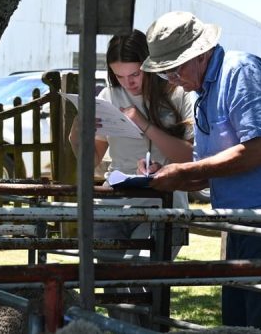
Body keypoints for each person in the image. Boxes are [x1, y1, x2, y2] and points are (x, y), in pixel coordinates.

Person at [140, 11, 261, 334]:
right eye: (165, 72)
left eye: (175, 68)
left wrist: (183, 172)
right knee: (238, 325)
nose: (171, 78)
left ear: (201, 54)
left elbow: (256, 151)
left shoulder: (241, 72)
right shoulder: (205, 94)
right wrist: (164, 175)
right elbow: (210, 171)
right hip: (246, 221)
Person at [68, 30, 195, 327]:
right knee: (111, 283)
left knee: (137, 275)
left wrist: (143, 124)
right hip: (115, 202)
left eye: (135, 74)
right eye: (119, 76)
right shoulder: (108, 97)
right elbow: (92, 160)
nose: (129, 83)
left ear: (150, 65)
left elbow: (190, 157)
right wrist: (76, 133)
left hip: (163, 204)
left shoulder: (178, 93)